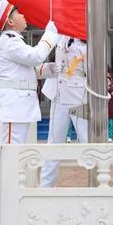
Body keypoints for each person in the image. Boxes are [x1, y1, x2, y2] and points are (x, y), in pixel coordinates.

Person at [0, 0, 58, 145]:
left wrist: (49, 70)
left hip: (19, 107)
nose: (23, 15)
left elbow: (29, 69)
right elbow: (35, 57)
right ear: (10, 22)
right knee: (10, 153)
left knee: (16, 153)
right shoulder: (10, 41)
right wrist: (50, 36)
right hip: (13, 108)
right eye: (19, 13)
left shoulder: (14, 40)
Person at [40, 35, 87, 186]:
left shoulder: (89, 38)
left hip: (79, 96)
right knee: (53, 142)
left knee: (87, 140)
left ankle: (98, 184)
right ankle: (46, 186)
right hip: (58, 95)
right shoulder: (60, 37)